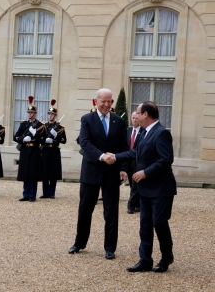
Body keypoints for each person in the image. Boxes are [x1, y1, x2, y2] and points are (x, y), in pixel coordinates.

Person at [105, 101, 177, 273]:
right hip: (145, 189)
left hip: (161, 188)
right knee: (145, 225)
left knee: (159, 223)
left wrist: (146, 172)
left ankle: (167, 257)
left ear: (146, 114)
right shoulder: (144, 133)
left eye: (138, 112)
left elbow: (166, 159)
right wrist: (115, 156)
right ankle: (145, 260)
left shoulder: (161, 133)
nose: (135, 115)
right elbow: (135, 152)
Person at [68, 88, 128, 260]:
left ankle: (110, 247)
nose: (107, 104)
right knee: (85, 209)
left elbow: (124, 148)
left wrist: (123, 168)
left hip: (112, 173)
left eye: (110, 101)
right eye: (103, 101)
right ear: (95, 102)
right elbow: (84, 143)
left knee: (111, 212)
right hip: (92, 170)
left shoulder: (119, 121)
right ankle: (79, 243)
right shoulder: (87, 119)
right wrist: (102, 156)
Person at [14, 96, 46, 202]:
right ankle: (25, 194)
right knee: (25, 172)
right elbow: (16, 136)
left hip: (35, 151)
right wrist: (24, 139)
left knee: (33, 173)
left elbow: (43, 139)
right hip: (25, 150)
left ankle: (32, 195)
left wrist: (35, 134)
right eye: (29, 112)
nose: (30, 114)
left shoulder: (40, 125)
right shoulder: (24, 124)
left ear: (35, 114)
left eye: (32, 113)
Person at [41, 99, 67, 199]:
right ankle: (45, 192)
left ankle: (51, 193)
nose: (50, 116)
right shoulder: (43, 126)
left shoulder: (60, 127)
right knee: (45, 171)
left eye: (52, 115)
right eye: (49, 114)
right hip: (46, 150)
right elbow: (40, 138)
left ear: (55, 116)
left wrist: (56, 136)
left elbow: (64, 140)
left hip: (55, 150)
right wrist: (45, 141)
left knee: (53, 172)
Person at [125, 111, 142, 214]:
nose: (134, 120)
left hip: (137, 162)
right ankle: (137, 204)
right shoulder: (128, 131)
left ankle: (130, 205)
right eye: (133, 118)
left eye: (136, 118)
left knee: (136, 184)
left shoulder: (143, 132)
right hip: (128, 161)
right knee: (132, 184)